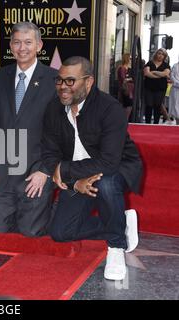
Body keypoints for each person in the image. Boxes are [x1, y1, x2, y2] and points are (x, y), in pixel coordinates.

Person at [42, 56, 143, 281]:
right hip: (77, 177)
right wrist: (74, 183)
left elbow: (109, 162)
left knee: (106, 183)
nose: (62, 87)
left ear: (88, 82)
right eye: (59, 81)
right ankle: (120, 222)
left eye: (70, 81)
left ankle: (116, 246)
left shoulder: (110, 108)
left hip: (115, 169)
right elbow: (48, 154)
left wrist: (65, 172)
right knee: (60, 233)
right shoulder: (53, 108)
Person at [0, 22, 57, 237]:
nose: (22, 48)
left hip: (36, 170)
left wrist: (45, 170)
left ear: (39, 45)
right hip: (4, 172)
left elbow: (59, 132)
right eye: (16, 42)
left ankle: (53, 209)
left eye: (28, 42)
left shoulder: (54, 79)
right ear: (11, 45)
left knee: (30, 232)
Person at [143, 48, 171, 124]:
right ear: (156, 54)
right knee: (148, 106)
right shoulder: (149, 63)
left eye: (162, 54)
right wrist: (160, 75)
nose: (160, 56)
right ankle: (147, 123)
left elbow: (165, 74)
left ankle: (156, 124)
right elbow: (146, 73)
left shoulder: (166, 65)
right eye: (159, 53)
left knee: (157, 106)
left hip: (160, 89)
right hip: (149, 88)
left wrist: (154, 72)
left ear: (164, 56)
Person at [117, 53, 134, 120]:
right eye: (130, 58)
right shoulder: (122, 68)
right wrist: (130, 79)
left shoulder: (129, 68)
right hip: (125, 90)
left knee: (128, 105)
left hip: (130, 90)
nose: (131, 60)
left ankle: (125, 119)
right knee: (127, 105)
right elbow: (123, 79)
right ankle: (124, 119)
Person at [169, 58, 179, 125]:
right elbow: (172, 76)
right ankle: (177, 124)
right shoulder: (175, 66)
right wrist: (177, 83)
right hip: (176, 88)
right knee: (175, 106)